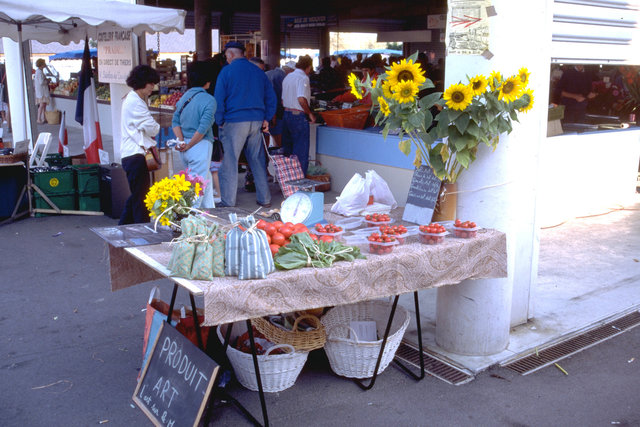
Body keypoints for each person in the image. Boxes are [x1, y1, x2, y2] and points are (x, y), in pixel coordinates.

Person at [214, 41, 277, 208]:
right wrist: (266, 118)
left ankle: (228, 201)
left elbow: (219, 100)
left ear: (231, 54)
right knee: (257, 160)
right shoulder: (258, 72)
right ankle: (265, 199)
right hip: (256, 120)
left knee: (230, 162)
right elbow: (271, 98)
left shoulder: (226, 72)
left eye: (226, 54)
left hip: (234, 121)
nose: (226, 58)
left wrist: (219, 121)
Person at [119, 65, 161, 225]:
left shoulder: (131, 99)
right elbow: (153, 128)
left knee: (136, 195)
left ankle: (122, 228)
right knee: (141, 199)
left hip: (131, 156)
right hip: (136, 156)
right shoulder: (135, 103)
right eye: (150, 83)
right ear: (142, 82)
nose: (153, 86)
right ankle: (142, 231)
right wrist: (155, 125)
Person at [172, 61, 217, 209]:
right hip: (200, 145)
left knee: (205, 179)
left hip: (183, 145)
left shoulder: (185, 96)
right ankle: (190, 220)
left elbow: (175, 121)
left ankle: (209, 211)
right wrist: (190, 145)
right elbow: (203, 128)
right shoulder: (209, 100)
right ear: (208, 81)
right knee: (196, 188)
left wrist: (182, 142)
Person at [281, 55, 315, 175]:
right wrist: (310, 113)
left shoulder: (288, 77)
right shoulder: (303, 78)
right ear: (308, 67)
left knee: (288, 151)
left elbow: (282, 99)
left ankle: (288, 180)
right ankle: (299, 182)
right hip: (298, 116)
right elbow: (301, 99)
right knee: (301, 151)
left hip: (286, 114)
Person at [266, 60, 296, 147]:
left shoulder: (268, 73)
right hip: (275, 113)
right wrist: (274, 115)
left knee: (265, 138)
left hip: (264, 112)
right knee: (278, 139)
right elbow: (277, 98)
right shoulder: (282, 77)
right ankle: (278, 157)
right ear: (289, 70)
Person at [34, 59, 51, 124]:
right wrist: (47, 81)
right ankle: (39, 118)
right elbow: (41, 82)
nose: (45, 64)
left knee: (43, 105)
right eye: (44, 63)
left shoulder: (38, 71)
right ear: (41, 64)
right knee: (42, 105)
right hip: (42, 92)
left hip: (40, 91)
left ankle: (43, 118)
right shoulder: (40, 72)